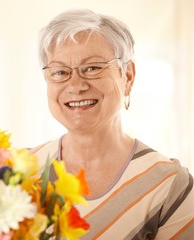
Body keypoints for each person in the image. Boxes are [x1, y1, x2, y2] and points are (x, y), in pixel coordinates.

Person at [31, 9, 194, 239]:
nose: (76, 85)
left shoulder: (170, 185)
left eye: (93, 68)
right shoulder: (16, 172)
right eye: (60, 72)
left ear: (127, 76)